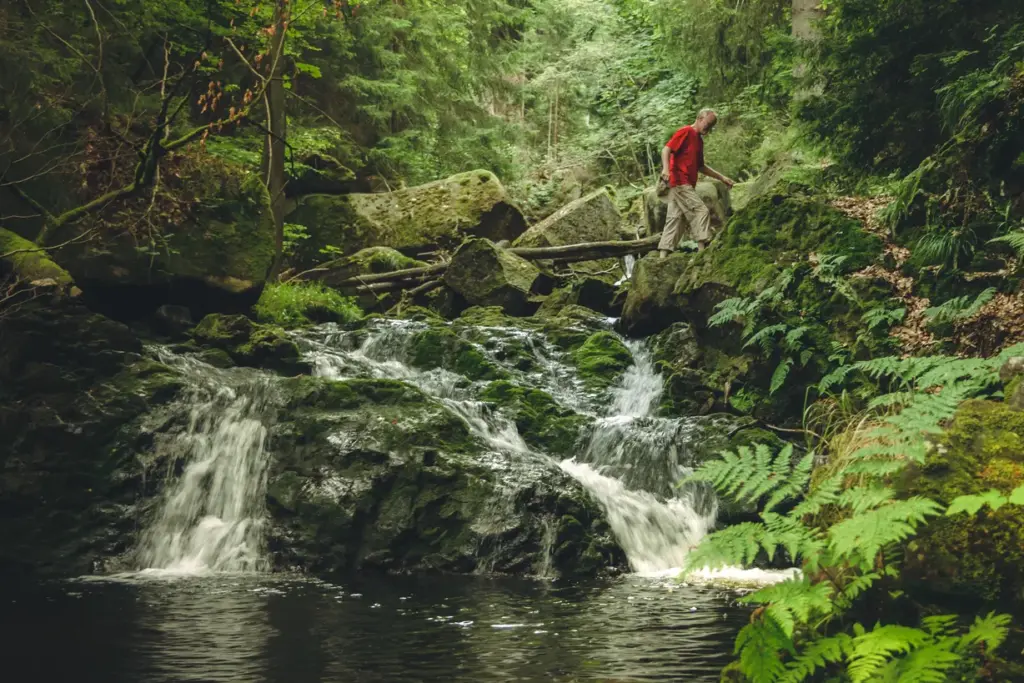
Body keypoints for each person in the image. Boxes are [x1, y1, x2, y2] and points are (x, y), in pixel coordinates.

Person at [658, 109, 736, 256]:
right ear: (700, 119)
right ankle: (702, 252)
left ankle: (662, 257)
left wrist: (722, 178)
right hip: (680, 181)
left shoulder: (699, 141)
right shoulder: (686, 132)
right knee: (700, 211)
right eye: (708, 124)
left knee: (675, 218)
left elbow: (701, 166)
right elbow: (666, 149)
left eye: (712, 126)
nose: (709, 128)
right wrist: (666, 169)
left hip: (684, 183)